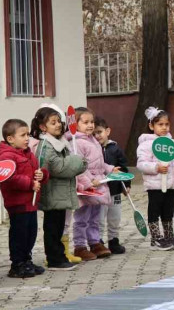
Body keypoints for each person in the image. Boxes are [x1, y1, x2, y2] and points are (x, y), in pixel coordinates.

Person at [32, 105, 87, 271]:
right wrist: (80, 162)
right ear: (43, 127)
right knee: (52, 228)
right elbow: (59, 167)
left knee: (58, 226)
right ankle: (54, 258)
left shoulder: (61, 142)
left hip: (60, 193)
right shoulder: (46, 145)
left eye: (59, 122)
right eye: (53, 122)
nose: (58, 125)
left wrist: (77, 163)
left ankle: (59, 255)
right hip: (52, 193)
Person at [67, 107, 118, 261]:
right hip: (87, 186)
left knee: (95, 217)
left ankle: (94, 242)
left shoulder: (92, 140)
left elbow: (98, 163)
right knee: (82, 218)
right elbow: (79, 166)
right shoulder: (76, 143)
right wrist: (89, 182)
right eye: (85, 122)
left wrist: (109, 169)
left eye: (92, 122)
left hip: (98, 184)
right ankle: (80, 245)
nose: (90, 125)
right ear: (75, 124)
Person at [0, 119, 46, 278]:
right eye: (23, 135)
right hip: (17, 202)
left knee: (30, 232)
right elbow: (9, 177)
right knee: (19, 234)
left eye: (28, 135)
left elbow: (36, 171)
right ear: (10, 138)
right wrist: (29, 183)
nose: (27, 138)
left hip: (30, 202)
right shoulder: (6, 155)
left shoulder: (28, 153)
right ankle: (17, 264)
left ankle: (27, 260)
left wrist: (42, 175)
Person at [136, 107, 174, 251]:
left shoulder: (173, 144)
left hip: (171, 185)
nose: (164, 127)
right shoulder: (146, 145)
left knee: (168, 211)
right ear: (151, 126)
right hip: (155, 185)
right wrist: (156, 167)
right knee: (155, 210)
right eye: (160, 124)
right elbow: (141, 164)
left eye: (167, 124)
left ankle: (169, 236)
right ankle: (156, 238)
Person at [94, 117, 130, 254]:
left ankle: (113, 240)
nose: (97, 136)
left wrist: (126, 185)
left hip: (115, 190)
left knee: (115, 217)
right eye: (94, 134)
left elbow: (124, 168)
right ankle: (98, 241)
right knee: (99, 218)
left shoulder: (116, 149)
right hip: (101, 191)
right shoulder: (93, 149)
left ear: (107, 131)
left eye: (99, 132)